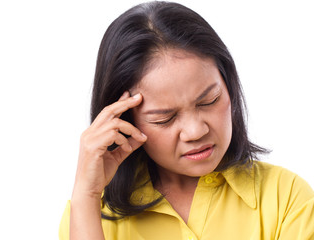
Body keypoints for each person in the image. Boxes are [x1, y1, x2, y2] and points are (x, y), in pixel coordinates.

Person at [59, 1, 314, 239]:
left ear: (229, 86)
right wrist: (86, 194)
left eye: (209, 101)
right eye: (164, 118)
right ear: (125, 120)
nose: (195, 131)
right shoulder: (90, 211)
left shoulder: (286, 196)